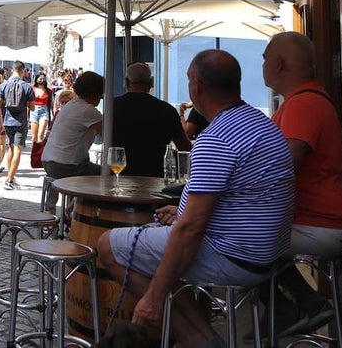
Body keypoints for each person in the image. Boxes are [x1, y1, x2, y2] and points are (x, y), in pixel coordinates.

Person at [96, 50, 295, 347]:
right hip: (268, 253)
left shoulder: (216, 138)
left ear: (196, 86)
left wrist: (152, 298)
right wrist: (182, 210)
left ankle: (199, 339)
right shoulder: (261, 123)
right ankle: (199, 335)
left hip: (235, 256)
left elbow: (191, 230)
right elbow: (239, 198)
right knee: (165, 252)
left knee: (108, 245)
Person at [264, 32, 342, 336]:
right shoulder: (306, 99)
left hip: (320, 224)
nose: (262, 65)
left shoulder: (302, 104)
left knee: (237, 238)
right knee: (241, 233)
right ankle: (281, 312)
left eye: (265, 58)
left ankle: (301, 306)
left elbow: (283, 166)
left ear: (278, 64)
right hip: (321, 221)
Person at [111, 63, 190, 177]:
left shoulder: (112, 107)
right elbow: (184, 147)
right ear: (151, 82)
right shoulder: (167, 110)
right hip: (155, 177)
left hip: (119, 175)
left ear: (126, 82)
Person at [40, 71, 104, 180]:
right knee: (108, 174)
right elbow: (108, 134)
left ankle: (82, 196)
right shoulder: (88, 111)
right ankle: (86, 197)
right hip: (67, 166)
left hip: (49, 161)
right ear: (96, 93)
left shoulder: (71, 104)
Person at [0, 61, 35, 190]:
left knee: (10, 148)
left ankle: (10, 176)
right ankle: (10, 180)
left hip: (7, 122)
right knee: (18, 149)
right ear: (22, 71)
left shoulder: (4, 85)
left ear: (12, 70)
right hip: (21, 122)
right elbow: (32, 108)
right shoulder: (27, 86)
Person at [30, 71, 52, 144]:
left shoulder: (48, 91)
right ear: (36, 79)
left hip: (44, 111)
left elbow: (50, 104)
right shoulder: (32, 88)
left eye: (43, 79)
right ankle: (34, 153)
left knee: (40, 136)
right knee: (34, 137)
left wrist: (53, 114)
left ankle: (40, 154)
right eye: (40, 79)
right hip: (34, 110)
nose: (41, 80)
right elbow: (28, 102)